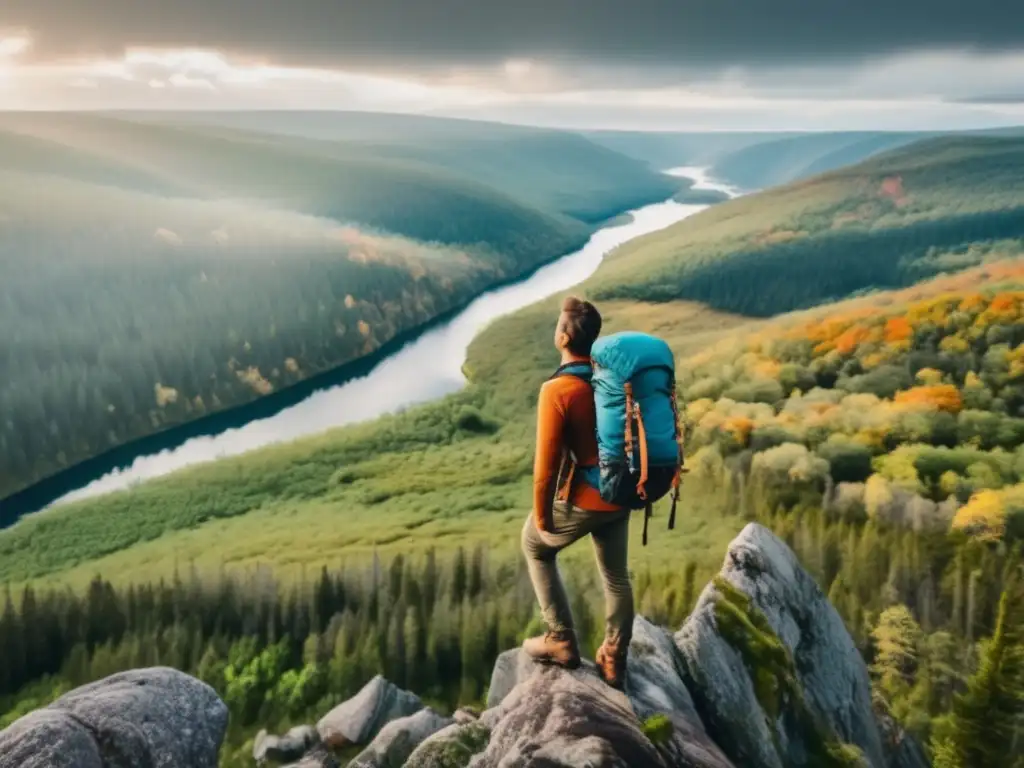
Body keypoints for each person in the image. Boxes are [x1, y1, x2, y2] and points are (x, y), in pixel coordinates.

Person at [520, 295, 634, 689]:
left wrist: (542, 514)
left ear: (564, 335)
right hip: (621, 494)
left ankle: (560, 638)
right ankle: (614, 660)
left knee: (534, 545)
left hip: (585, 498)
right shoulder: (611, 378)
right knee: (617, 578)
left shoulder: (558, 390)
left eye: (558, 323)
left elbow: (545, 469)